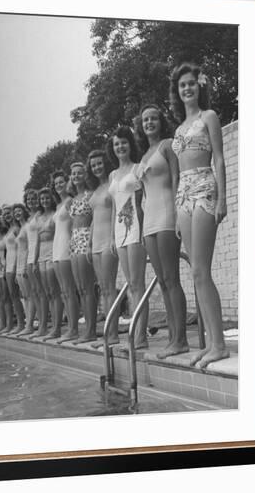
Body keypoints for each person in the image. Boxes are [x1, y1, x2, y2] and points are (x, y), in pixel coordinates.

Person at [170, 62, 229, 368]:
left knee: (202, 270)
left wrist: (222, 197)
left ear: (199, 86)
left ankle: (218, 345)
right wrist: (177, 208)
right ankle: (211, 344)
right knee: (194, 273)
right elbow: (178, 173)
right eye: (182, 85)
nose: (187, 88)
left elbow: (219, 158)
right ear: (177, 92)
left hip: (205, 188)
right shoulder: (178, 129)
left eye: (191, 83)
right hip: (184, 196)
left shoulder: (209, 117)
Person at [136, 104, 189, 358]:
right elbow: (143, 196)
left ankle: (181, 340)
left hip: (168, 215)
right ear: (141, 125)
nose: (149, 122)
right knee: (162, 283)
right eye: (145, 119)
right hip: (149, 222)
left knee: (172, 279)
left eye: (153, 118)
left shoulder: (167, 145)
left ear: (160, 121)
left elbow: (177, 179)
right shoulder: (144, 155)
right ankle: (172, 337)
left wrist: (179, 216)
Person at [107, 125, 148, 350]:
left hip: (136, 228)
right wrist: (113, 237)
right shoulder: (113, 175)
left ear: (130, 144)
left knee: (137, 283)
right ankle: (136, 332)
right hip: (119, 231)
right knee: (130, 284)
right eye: (116, 143)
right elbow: (114, 207)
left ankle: (140, 336)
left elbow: (144, 202)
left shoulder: (138, 168)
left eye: (123, 142)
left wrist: (143, 230)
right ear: (112, 148)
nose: (120, 146)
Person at [85, 150, 119, 348]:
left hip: (108, 240)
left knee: (109, 287)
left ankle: (113, 334)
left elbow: (116, 210)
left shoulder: (112, 184)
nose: (97, 167)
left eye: (99, 163)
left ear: (105, 163)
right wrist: (89, 243)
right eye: (93, 165)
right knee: (103, 289)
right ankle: (108, 332)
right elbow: (93, 220)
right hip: (95, 243)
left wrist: (114, 237)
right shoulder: (96, 190)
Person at [68, 162, 98, 343]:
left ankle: (91, 330)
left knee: (88, 287)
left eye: (80, 173)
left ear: (85, 175)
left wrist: (90, 243)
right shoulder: (73, 199)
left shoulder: (90, 195)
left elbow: (95, 219)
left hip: (86, 236)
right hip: (74, 239)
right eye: (74, 173)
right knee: (80, 288)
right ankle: (86, 329)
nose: (76, 176)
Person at [50, 170, 80, 343]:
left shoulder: (69, 201)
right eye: (56, 183)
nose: (59, 185)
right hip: (56, 248)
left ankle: (74, 329)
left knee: (69, 290)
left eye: (61, 182)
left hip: (66, 247)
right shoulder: (58, 205)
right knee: (64, 292)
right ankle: (70, 328)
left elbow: (76, 223)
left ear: (66, 183)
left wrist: (72, 246)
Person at [36, 187, 63, 340]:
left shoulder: (55, 214)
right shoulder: (39, 217)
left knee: (55, 291)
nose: (45, 201)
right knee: (48, 292)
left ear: (51, 199)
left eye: (47, 198)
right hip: (41, 254)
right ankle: (51, 326)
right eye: (42, 199)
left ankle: (57, 327)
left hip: (53, 249)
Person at [24, 189, 48, 338]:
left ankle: (44, 325)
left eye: (34, 199)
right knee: (35, 293)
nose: (31, 201)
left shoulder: (40, 216)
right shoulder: (29, 218)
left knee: (41, 292)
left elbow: (39, 239)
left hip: (37, 256)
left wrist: (35, 259)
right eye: (28, 199)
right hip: (29, 256)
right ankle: (40, 323)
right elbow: (28, 242)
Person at [2, 205, 26, 334]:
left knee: (16, 295)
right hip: (8, 265)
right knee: (13, 296)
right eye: (4, 214)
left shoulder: (16, 228)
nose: (7, 216)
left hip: (15, 265)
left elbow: (20, 247)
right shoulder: (9, 229)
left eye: (8, 213)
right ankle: (20, 322)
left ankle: (22, 323)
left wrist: (17, 266)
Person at [13, 203, 35, 336]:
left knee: (30, 295)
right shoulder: (20, 228)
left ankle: (30, 325)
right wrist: (17, 270)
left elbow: (29, 247)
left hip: (26, 262)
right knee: (25, 296)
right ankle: (28, 323)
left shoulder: (27, 226)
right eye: (15, 212)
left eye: (19, 211)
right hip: (19, 265)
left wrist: (27, 265)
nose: (17, 213)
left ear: (24, 211)